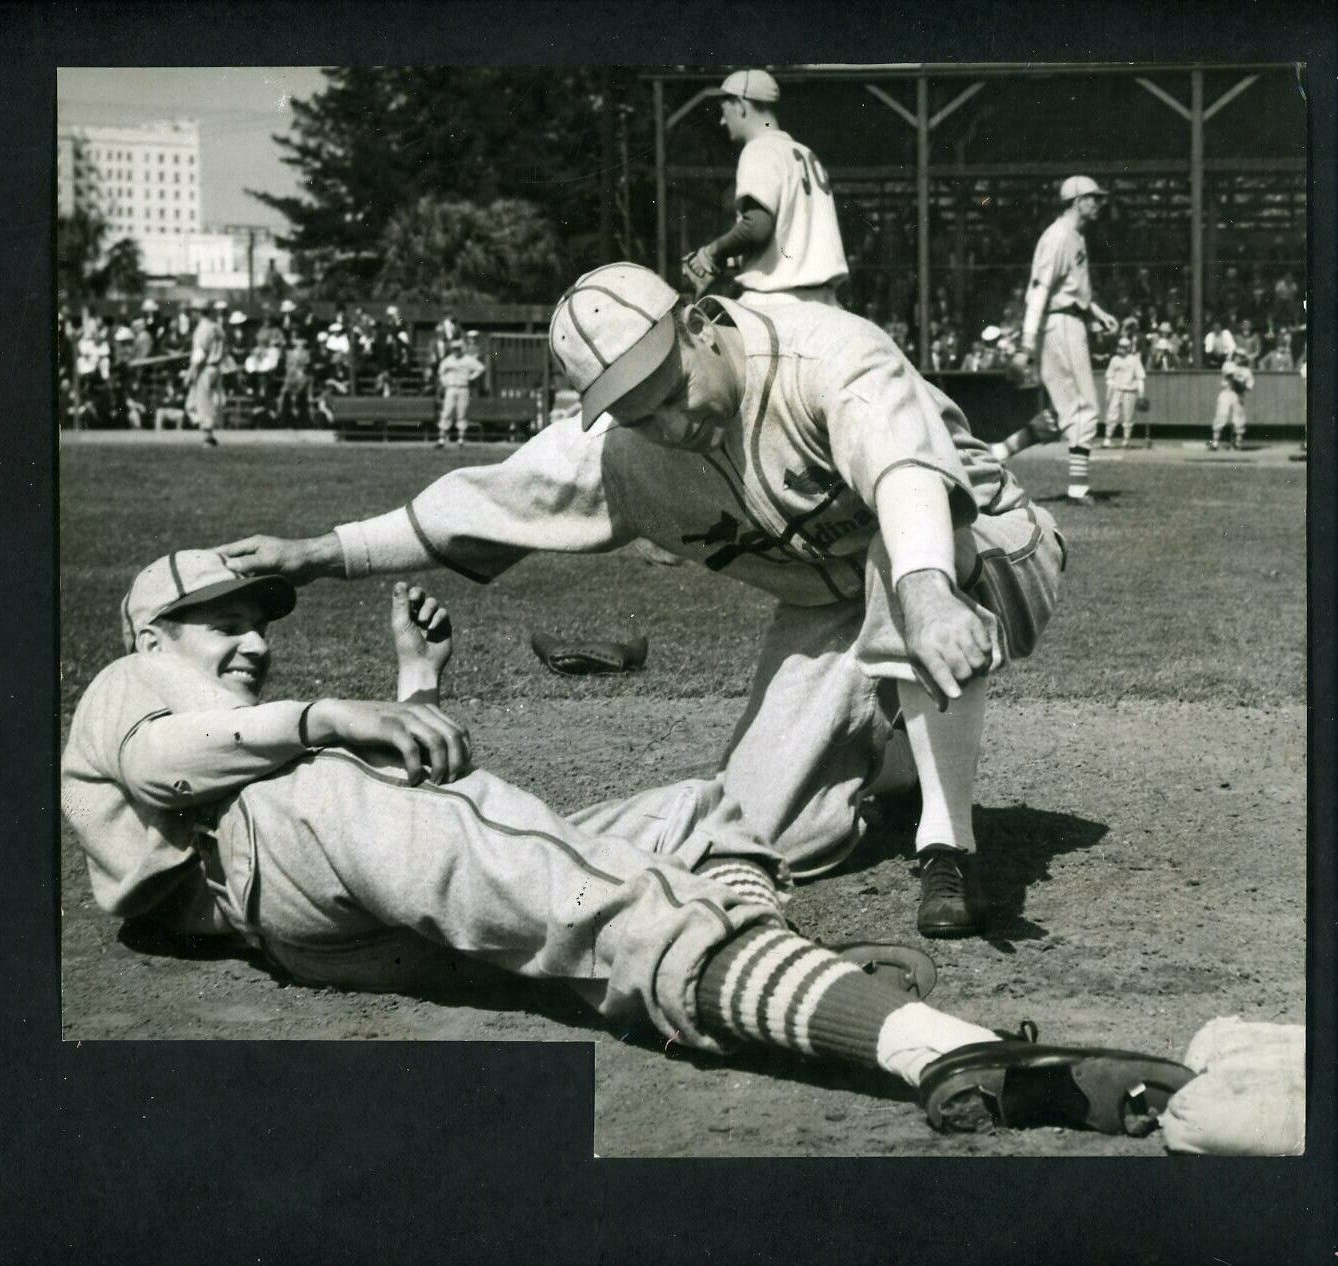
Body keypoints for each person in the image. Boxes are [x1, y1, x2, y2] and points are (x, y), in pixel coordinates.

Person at [60, 549, 1193, 1137]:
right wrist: (333, 716)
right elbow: (170, 763)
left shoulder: (241, 720)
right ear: (154, 632)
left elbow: (406, 801)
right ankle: (921, 1042)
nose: (254, 638)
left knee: (697, 812)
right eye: (226, 621)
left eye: (262, 620)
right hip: (257, 873)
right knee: (523, 863)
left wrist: (412, 690)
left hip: (331, 893)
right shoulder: (130, 680)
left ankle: (768, 963)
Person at [215, 262, 1069, 942]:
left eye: (665, 388)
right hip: (833, 608)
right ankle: (902, 761)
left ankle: (947, 846)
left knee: (907, 552)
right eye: (632, 410)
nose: (665, 424)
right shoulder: (626, 448)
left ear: (697, 323)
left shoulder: (829, 353)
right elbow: (473, 503)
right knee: (758, 831)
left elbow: (908, 479)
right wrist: (320, 553)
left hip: (984, 545)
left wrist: (925, 589)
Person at [682, 69, 848, 310]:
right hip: (826, 301)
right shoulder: (805, 153)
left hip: (778, 302)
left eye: (724, 111)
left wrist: (711, 251)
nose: (722, 120)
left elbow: (757, 227)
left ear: (740, 105)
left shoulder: (759, 149)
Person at [1009, 176, 1119, 506]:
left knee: (1065, 411)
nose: (1098, 203)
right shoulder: (1057, 237)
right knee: (1085, 408)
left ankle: (998, 451)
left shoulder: (1075, 237)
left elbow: (1068, 289)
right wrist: (1026, 344)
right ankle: (1078, 489)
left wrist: (1097, 312)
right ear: (1075, 200)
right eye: (1093, 198)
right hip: (1058, 326)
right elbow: (1040, 291)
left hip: (1071, 319)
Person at [183, 298, 225, 448]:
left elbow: (199, 354)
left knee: (203, 402)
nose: (191, 314)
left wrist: (190, 373)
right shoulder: (217, 327)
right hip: (216, 367)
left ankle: (208, 436)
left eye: (193, 311)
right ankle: (209, 434)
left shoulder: (202, 329)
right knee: (203, 401)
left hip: (205, 368)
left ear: (198, 312)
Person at [435, 337, 485, 448]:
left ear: (461, 348)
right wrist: (445, 382)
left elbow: (481, 368)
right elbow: (440, 372)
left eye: (458, 348)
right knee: (447, 412)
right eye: (454, 348)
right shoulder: (448, 360)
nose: (456, 350)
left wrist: (471, 377)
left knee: (462, 413)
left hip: (463, 388)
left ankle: (461, 439)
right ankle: (441, 439)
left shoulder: (468, 359)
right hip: (451, 388)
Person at [1102, 336, 1147, 448]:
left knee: (1128, 416)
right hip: (1116, 390)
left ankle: (1126, 439)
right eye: (1120, 346)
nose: (1121, 348)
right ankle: (1107, 438)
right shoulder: (1114, 360)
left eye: (1124, 347)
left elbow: (1140, 377)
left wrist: (1141, 394)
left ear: (1128, 347)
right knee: (1112, 414)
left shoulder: (1134, 360)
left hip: (1130, 391)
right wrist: (1109, 392)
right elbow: (1109, 377)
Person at [1209, 351, 1254, 452]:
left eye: (1241, 356)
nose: (1238, 358)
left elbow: (1249, 387)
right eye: (1236, 356)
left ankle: (1237, 443)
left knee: (1239, 419)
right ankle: (1214, 443)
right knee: (1221, 416)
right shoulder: (1228, 364)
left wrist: (1243, 386)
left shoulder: (1247, 371)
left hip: (1238, 395)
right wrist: (1240, 383)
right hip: (1227, 392)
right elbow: (1230, 376)